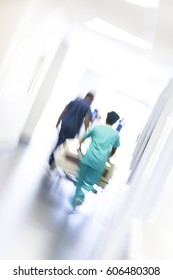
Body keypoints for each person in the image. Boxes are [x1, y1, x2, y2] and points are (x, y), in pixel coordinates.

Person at [72, 111, 120, 208]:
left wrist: (79, 146)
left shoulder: (97, 128)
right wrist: (108, 157)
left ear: (106, 118)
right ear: (114, 122)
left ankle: (78, 197)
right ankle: (82, 195)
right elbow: (114, 149)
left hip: (88, 158)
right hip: (100, 162)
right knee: (92, 182)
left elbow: (83, 137)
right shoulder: (115, 135)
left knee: (80, 179)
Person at [49, 92, 95, 167]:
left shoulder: (75, 101)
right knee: (65, 144)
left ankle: (52, 156)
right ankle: (56, 159)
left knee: (59, 141)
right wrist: (87, 131)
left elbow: (65, 110)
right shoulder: (87, 107)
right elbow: (87, 119)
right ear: (91, 99)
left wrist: (58, 121)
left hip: (65, 124)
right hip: (74, 128)